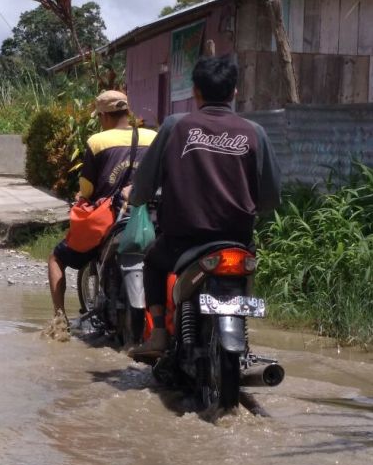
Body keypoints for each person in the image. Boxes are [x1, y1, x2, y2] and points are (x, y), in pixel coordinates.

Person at [127, 54, 281, 359]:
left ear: (195, 91)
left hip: (182, 242)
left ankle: (158, 334)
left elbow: (143, 186)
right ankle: (242, 338)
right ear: (234, 92)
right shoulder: (256, 132)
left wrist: (137, 198)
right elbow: (270, 199)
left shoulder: (175, 126)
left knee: (153, 262)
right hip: (238, 242)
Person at [46, 90, 157, 324]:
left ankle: (59, 319)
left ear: (104, 116)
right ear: (127, 111)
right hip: (149, 217)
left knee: (56, 258)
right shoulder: (152, 137)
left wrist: (82, 196)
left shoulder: (97, 142)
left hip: (111, 220)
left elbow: (87, 189)